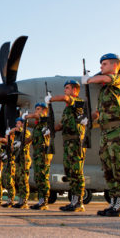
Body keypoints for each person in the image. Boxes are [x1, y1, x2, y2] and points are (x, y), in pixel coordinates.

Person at [82, 53, 120, 217]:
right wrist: (91, 116)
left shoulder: (119, 79)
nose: (101, 67)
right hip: (105, 132)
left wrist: (88, 80)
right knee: (108, 167)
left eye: (104, 64)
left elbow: (104, 79)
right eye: (101, 64)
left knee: (118, 165)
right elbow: (100, 111)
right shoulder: (104, 90)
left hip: (116, 130)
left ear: (115, 65)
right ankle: (114, 202)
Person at [47, 79, 87, 212]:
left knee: (76, 171)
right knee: (69, 171)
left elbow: (65, 97)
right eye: (65, 88)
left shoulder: (77, 102)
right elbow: (61, 125)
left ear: (75, 90)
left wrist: (51, 99)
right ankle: (74, 201)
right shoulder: (67, 110)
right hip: (68, 144)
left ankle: (78, 202)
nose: (65, 90)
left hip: (76, 142)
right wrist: (51, 129)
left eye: (68, 88)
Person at [24, 103, 52, 210]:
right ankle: (41, 200)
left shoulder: (45, 119)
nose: (36, 111)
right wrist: (23, 142)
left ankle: (44, 201)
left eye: (38, 109)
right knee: (38, 177)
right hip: (37, 154)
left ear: (45, 110)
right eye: (35, 109)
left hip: (44, 153)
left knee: (43, 176)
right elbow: (30, 138)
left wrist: (28, 116)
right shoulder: (37, 125)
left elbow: (38, 116)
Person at [12, 117, 32, 209]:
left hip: (24, 158)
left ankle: (24, 201)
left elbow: (27, 140)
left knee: (24, 179)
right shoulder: (17, 135)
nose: (17, 125)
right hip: (19, 159)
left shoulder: (26, 132)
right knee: (19, 180)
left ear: (23, 124)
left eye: (18, 123)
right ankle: (20, 200)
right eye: (16, 123)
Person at [0, 126, 16, 208]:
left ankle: (11, 200)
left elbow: (14, 152)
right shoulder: (8, 144)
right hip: (6, 164)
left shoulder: (12, 143)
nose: (5, 137)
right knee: (6, 181)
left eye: (7, 135)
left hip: (10, 164)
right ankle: (9, 199)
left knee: (10, 182)